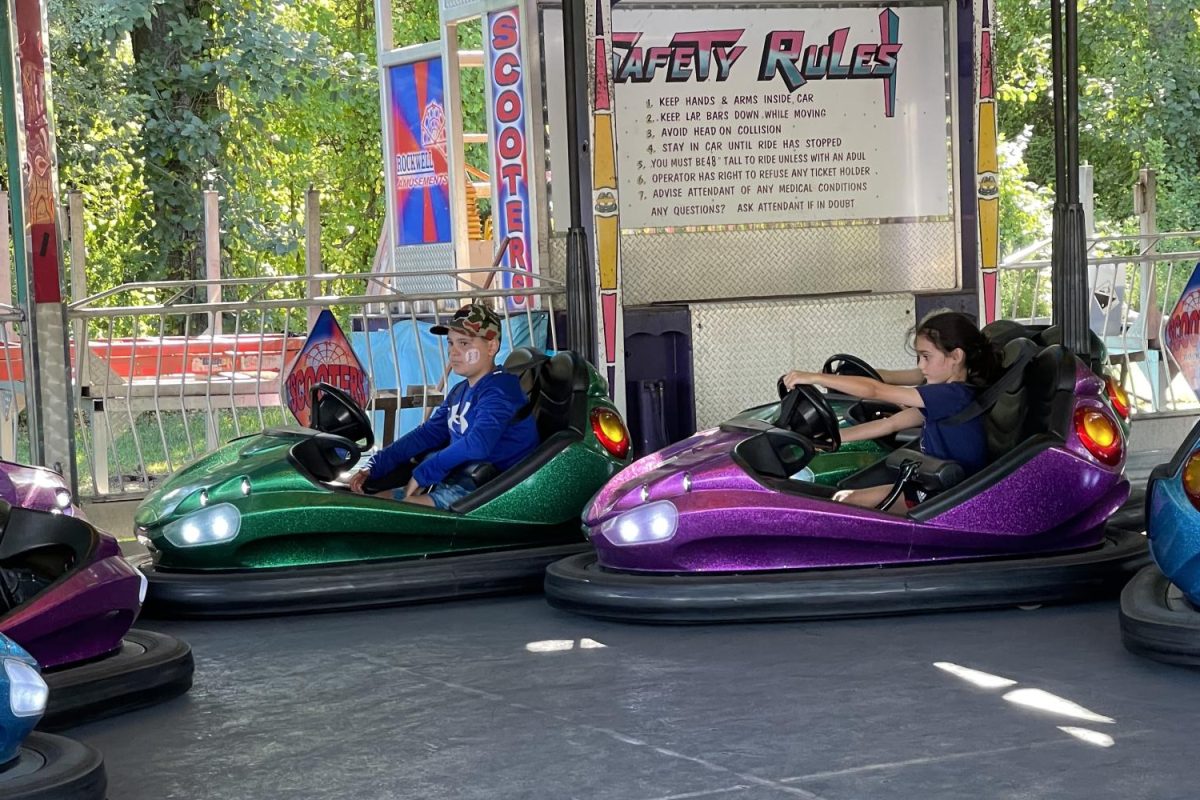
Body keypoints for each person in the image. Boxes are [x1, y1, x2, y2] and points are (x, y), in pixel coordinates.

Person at [782, 311, 1001, 511]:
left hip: (947, 497)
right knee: (841, 498)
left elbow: (876, 390)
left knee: (846, 505)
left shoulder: (952, 396)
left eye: (926, 357)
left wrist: (816, 377)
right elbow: (890, 424)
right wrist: (827, 441)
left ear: (956, 356)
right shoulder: (947, 397)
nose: (921, 367)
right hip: (931, 483)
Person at [348, 303, 540, 508]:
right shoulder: (460, 391)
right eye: (451, 343)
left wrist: (425, 472)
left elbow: (478, 443)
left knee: (388, 514)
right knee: (369, 504)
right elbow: (427, 434)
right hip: (459, 480)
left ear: (491, 346)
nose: (454, 352)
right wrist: (377, 464)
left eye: (464, 343)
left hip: (491, 492)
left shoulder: (501, 390)